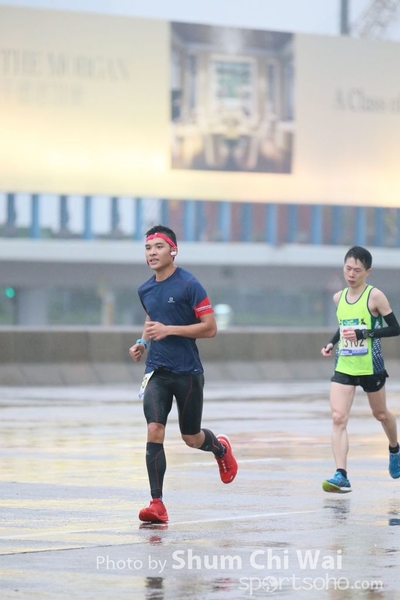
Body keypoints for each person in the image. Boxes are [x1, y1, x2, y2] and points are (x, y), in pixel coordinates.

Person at [129, 225, 238, 522]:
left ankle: (220, 448)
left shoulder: (190, 285)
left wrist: (169, 330)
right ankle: (157, 504)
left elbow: (210, 328)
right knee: (155, 429)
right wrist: (143, 342)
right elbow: (152, 316)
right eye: (148, 248)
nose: (152, 253)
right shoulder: (145, 289)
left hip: (187, 371)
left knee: (191, 437)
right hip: (157, 371)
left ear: (173, 250)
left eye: (159, 247)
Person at [321, 246, 400, 493]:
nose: (351, 274)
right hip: (344, 364)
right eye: (348, 268)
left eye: (357, 270)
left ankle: (395, 448)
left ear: (367, 271)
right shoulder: (338, 297)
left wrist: (365, 333)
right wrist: (332, 343)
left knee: (381, 414)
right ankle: (341, 475)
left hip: (370, 366)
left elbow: (395, 328)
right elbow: (344, 326)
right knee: (338, 417)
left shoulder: (375, 296)